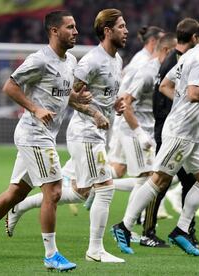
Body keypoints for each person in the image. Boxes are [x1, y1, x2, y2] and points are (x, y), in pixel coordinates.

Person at [0, 10, 92, 271]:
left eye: (76, 27)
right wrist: (35, 108)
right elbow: (9, 86)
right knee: (53, 191)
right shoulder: (39, 60)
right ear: (54, 31)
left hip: (44, 135)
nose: (76, 31)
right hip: (34, 134)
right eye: (70, 27)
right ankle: (51, 255)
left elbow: (64, 96)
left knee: (16, 193)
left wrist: (82, 103)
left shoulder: (70, 63)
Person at [111, 14, 199, 257]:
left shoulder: (191, 55)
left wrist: (189, 99)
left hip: (193, 130)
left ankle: (181, 229)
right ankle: (124, 226)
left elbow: (166, 85)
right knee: (159, 179)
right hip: (181, 131)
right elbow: (193, 93)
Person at [66, 8, 127, 263]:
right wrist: (94, 113)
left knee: (79, 191)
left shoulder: (117, 60)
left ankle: (20, 206)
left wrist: (114, 106)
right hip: (85, 133)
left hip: (98, 134)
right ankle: (95, 250)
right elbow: (68, 96)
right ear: (107, 30)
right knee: (105, 187)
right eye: (121, 26)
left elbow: (104, 97)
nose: (126, 31)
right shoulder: (91, 61)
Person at [107, 33, 177, 248]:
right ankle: (126, 228)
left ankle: (103, 190)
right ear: (166, 51)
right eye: (175, 52)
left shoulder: (161, 72)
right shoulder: (147, 72)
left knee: (149, 179)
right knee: (148, 179)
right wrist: (139, 133)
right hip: (134, 131)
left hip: (149, 130)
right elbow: (125, 102)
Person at [141, 18, 199, 249]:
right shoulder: (175, 60)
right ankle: (146, 231)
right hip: (169, 129)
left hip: (175, 128)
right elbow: (164, 91)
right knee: (161, 181)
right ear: (195, 38)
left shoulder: (173, 59)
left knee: (189, 180)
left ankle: (186, 229)